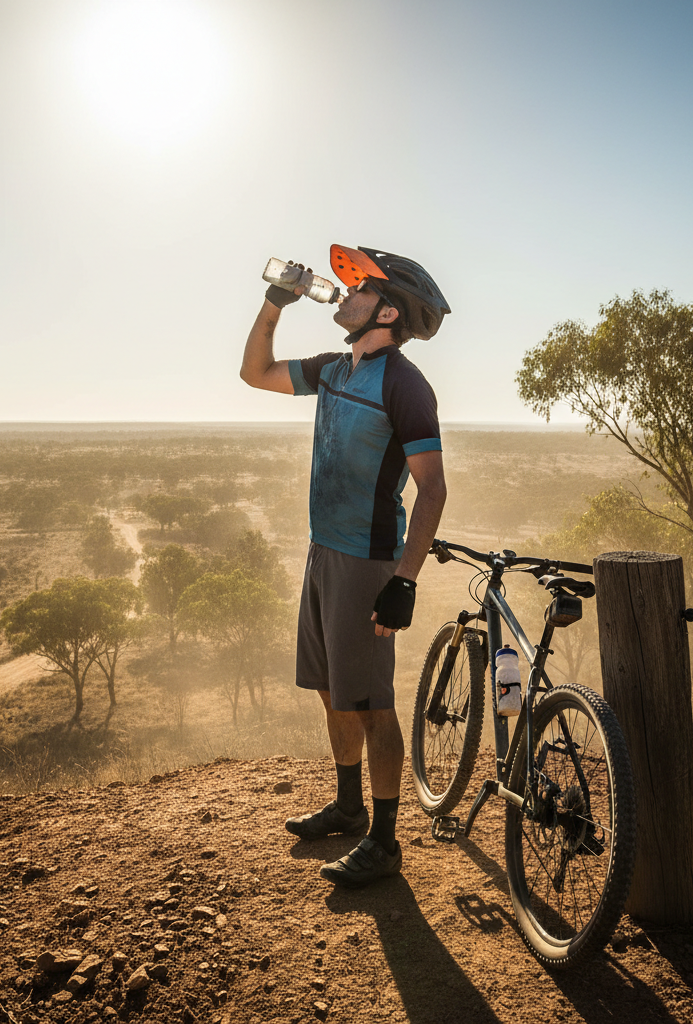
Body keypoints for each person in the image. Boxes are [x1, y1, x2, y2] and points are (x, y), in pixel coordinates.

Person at [240, 244, 450, 887]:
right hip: (323, 551)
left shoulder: (404, 385)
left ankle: (384, 843)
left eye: (360, 288)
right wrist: (275, 302)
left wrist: (403, 582)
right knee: (333, 690)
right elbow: (255, 373)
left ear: (387, 311)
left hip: (367, 562)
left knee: (372, 703)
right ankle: (349, 806)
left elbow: (433, 490)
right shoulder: (333, 369)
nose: (345, 292)